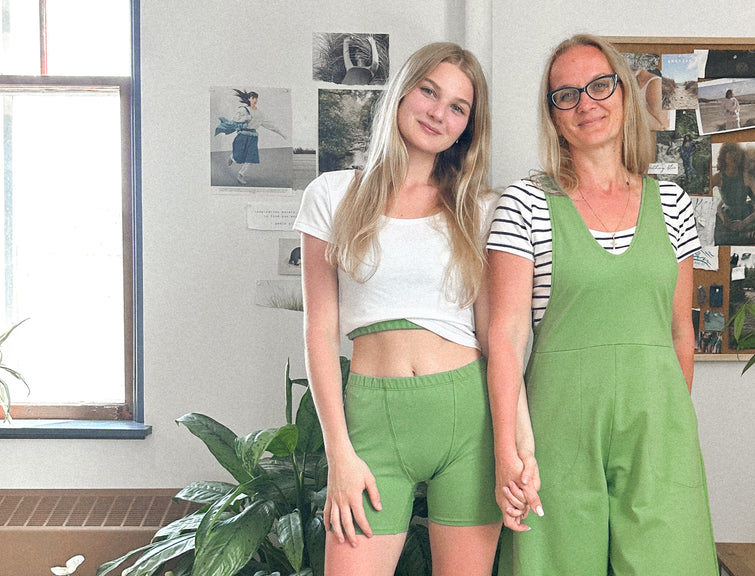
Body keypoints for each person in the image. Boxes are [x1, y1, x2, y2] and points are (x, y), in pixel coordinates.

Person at [486, 34, 717, 575]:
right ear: (553, 115)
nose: (586, 103)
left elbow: (680, 332)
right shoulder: (524, 204)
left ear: (623, 93)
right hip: (555, 431)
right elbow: (506, 337)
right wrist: (507, 450)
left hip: (658, 429)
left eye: (599, 85)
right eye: (565, 95)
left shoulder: (674, 203)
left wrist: (668, 424)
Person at [294, 42, 501, 576]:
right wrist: (339, 453)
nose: (438, 112)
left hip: (467, 418)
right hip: (373, 421)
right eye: (429, 91)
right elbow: (319, 331)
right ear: (402, 91)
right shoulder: (331, 195)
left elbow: (496, 335)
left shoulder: (479, 208)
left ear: (467, 128)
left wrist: (513, 439)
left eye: (458, 107)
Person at [710, 142, 755, 244]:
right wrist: (722, 215)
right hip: (727, 214)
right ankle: (747, 235)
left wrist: (744, 223)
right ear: (724, 156)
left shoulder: (748, 176)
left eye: (736, 153)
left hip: (746, 214)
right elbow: (705, 199)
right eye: (730, 153)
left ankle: (746, 233)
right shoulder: (718, 177)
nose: (734, 156)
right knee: (716, 233)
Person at [215, 89, 287, 184]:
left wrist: (282, 134)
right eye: (253, 98)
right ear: (249, 99)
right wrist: (245, 118)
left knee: (252, 158)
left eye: (256, 98)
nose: (255, 100)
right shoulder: (243, 110)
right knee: (238, 157)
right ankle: (232, 157)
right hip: (242, 136)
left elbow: (269, 125)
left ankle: (241, 174)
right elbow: (234, 120)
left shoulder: (259, 114)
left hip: (253, 137)